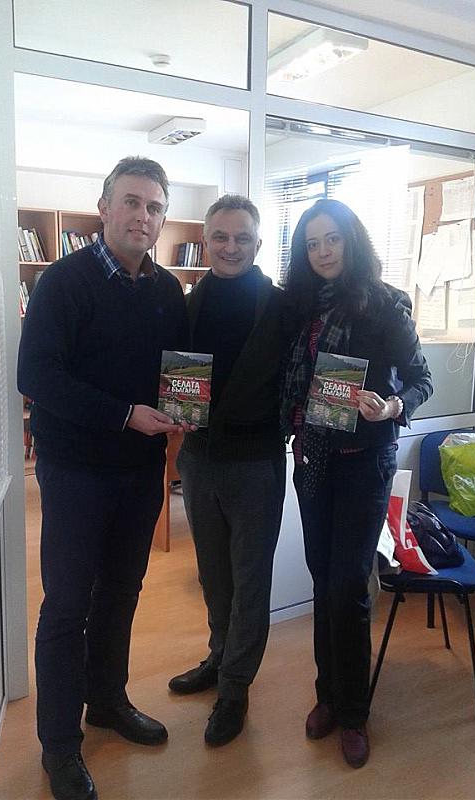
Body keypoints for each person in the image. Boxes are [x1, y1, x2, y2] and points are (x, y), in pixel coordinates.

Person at [17, 157, 190, 800]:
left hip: (141, 471)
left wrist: (184, 409)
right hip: (76, 472)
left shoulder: (167, 291)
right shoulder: (63, 282)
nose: (143, 216)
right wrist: (124, 414)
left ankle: (107, 701)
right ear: (105, 207)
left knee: (121, 591)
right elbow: (37, 376)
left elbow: (178, 373)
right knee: (67, 605)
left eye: (154, 206)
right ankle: (59, 745)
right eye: (132, 202)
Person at [280, 198, 433, 768]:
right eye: (312, 243)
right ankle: (326, 695)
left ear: (352, 240)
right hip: (313, 458)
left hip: (364, 461)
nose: (322, 252)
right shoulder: (299, 306)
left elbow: (421, 380)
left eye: (332, 239)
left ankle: (353, 712)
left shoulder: (386, 304)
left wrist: (391, 405)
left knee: (348, 584)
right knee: (324, 580)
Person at [168, 195, 287, 746]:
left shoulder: (282, 307)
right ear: (205, 240)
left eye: (242, 238)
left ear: (258, 243)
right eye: (220, 236)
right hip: (198, 458)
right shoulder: (186, 304)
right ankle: (219, 658)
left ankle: (236, 687)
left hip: (256, 463)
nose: (231, 247)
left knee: (250, 580)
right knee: (212, 574)